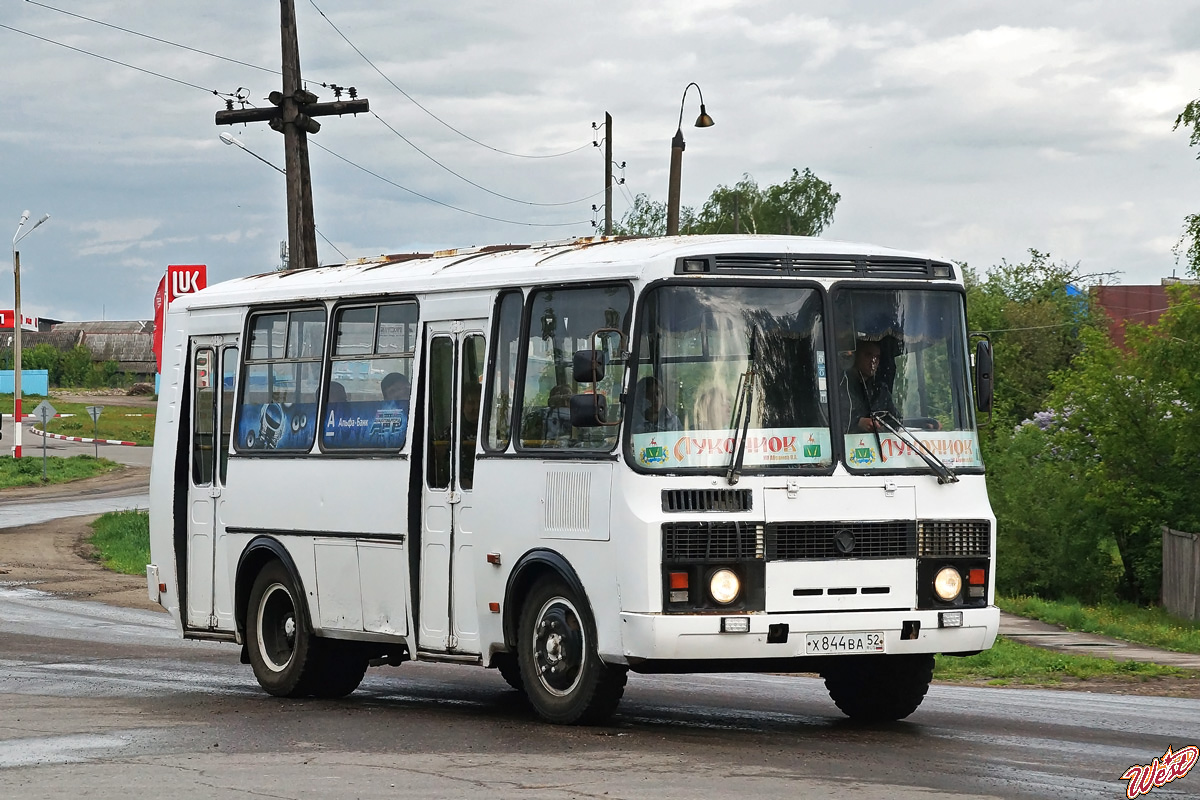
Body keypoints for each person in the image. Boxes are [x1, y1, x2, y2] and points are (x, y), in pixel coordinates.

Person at [840, 339, 899, 433]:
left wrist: (881, 425)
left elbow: (896, 421)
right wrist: (858, 422)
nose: (873, 360)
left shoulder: (880, 390)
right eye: (868, 355)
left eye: (877, 357)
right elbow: (830, 418)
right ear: (855, 357)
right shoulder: (841, 386)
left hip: (878, 444)